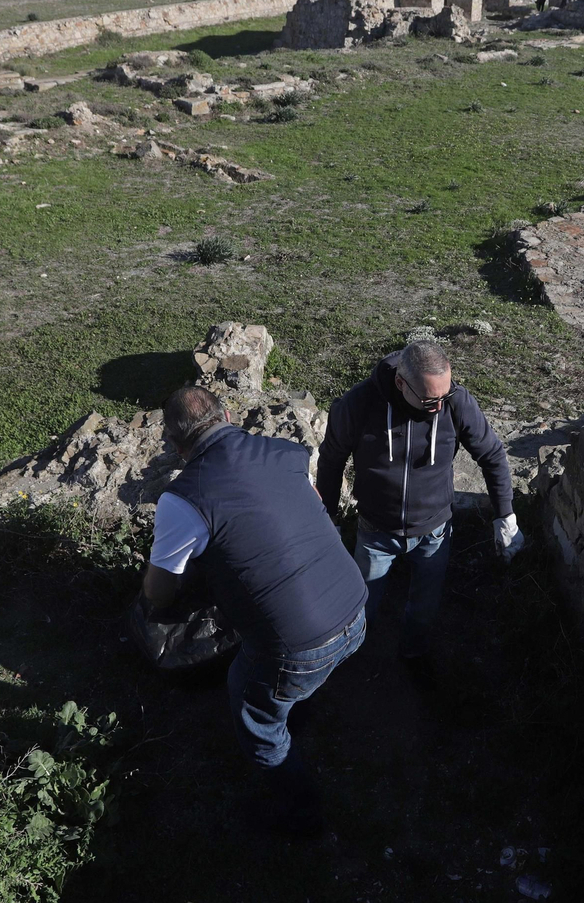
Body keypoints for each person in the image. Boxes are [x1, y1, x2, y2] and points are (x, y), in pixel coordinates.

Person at [138, 386, 367, 833]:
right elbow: (313, 509)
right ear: (227, 414)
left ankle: (301, 815)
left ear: (175, 444)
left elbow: (161, 593)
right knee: (295, 678)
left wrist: (149, 584)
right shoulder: (285, 452)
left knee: (251, 706)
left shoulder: (184, 500)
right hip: (355, 608)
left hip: (300, 646)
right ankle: (300, 707)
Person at [317, 341, 522, 683]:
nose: (438, 406)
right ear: (401, 383)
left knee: (424, 607)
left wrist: (506, 515)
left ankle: (414, 656)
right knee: (359, 606)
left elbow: (492, 455)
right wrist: (329, 518)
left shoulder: (455, 402)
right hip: (375, 531)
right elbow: (332, 460)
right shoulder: (358, 404)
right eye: (430, 400)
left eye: (444, 395)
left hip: (434, 532)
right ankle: (348, 665)